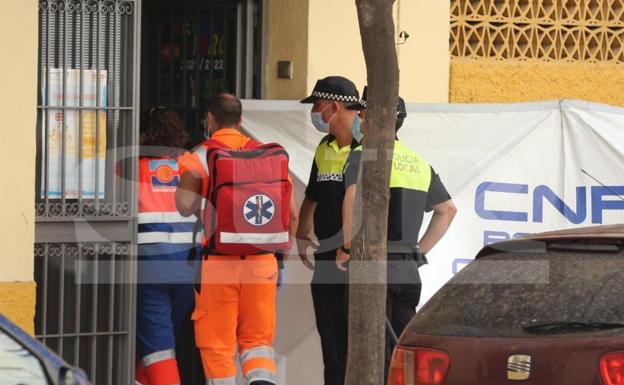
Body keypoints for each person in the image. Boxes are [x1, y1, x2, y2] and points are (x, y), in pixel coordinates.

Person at [175, 93, 298, 385]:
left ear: (209, 118)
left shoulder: (200, 156)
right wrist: (281, 258)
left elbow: (184, 206)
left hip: (218, 265)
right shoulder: (268, 156)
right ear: (241, 120)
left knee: (217, 346)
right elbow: (291, 214)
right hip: (263, 263)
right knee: (257, 343)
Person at [337, 86, 457, 381]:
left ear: (374, 120)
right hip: (408, 271)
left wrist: (349, 247)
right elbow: (448, 209)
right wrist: (418, 251)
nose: (359, 121)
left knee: (370, 351)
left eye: (362, 115)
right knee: (403, 353)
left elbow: (352, 198)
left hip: (375, 265)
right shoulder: (418, 162)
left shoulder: (364, 154)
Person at [297, 76, 361, 385]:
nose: (315, 113)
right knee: (331, 344)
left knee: (355, 342)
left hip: (356, 259)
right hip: (326, 257)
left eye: (317, 106)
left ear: (333, 107)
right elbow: (312, 197)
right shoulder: (324, 147)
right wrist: (300, 235)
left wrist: (348, 248)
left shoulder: (368, 148)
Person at [135, 106, 198, 385]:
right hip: (187, 267)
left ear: (145, 134)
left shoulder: (129, 164)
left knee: (158, 348)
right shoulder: (191, 162)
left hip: (151, 266)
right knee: (161, 340)